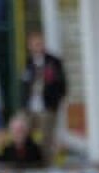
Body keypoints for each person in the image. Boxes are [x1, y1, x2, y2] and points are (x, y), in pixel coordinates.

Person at [19, 31, 67, 165]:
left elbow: (62, 85)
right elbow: (24, 84)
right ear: (30, 46)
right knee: (24, 133)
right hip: (30, 107)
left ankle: (46, 165)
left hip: (47, 106)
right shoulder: (28, 63)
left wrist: (55, 101)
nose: (38, 46)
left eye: (40, 43)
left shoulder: (54, 61)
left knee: (46, 139)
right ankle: (28, 162)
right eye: (35, 44)